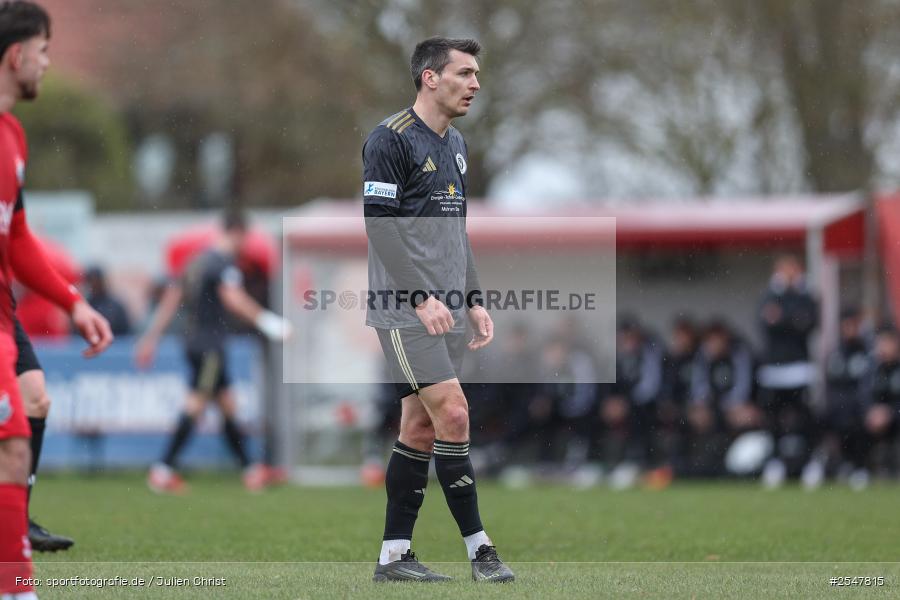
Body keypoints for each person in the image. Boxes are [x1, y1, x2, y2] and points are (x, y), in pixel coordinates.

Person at [362, 37, 513, 583]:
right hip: (406, 312)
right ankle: (482, 552)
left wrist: (472, 298)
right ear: (430, 78)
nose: (476, 84)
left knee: (421, 430)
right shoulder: (390, 139)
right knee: (454, 413)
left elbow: (457, 232)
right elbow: (380, 227)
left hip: (446, 311)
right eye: (465, 73)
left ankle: (394, 558)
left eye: (477, 74)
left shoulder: (457, 145)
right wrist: (420, 297)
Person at [0, 2, 114, 596]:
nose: (48, 64)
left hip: (3, 315)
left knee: (29, 413)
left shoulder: (13, 137)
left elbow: (17, 238)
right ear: (17, 55)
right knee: (12, 448)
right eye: (44, 52)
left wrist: (73, 303)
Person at [135, 210, 291, 494]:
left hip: (194, 341)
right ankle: (162, 470)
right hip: (210, 346)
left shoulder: (195, 261)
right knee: (195, 405)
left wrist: (150, 338)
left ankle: (252, 470)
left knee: (228, 406)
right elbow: (233, 299)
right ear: (238, 233)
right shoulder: (222, 263)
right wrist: (269, 323)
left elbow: (171, 299)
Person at [755, 254, 818, 487]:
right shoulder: (769, 295)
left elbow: (807, 323)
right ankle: (775, 464)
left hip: (799, 368)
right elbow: (765, 323)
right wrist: (791, 321)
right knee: (773, 420)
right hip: (774, 369)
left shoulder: (805, 295)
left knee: (804, 419)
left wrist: (783, 320)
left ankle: (809, 463)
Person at [83, 265, 131, 336]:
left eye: (96, 281)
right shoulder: (84, 306)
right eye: (91, 281)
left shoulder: (116, 307)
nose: (94, 285)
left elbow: (125, 334)